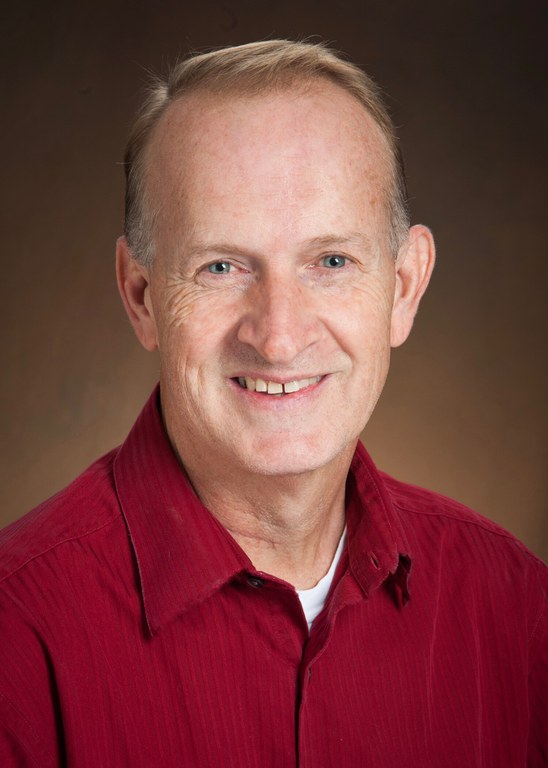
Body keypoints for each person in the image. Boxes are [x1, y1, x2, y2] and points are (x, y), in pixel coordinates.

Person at [0, 39, 545, 768]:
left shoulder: (515, 604)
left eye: (331, 261)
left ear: (404, 288)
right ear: (142, 297)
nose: (280, 338)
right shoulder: (17, 635)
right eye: (221, 266)